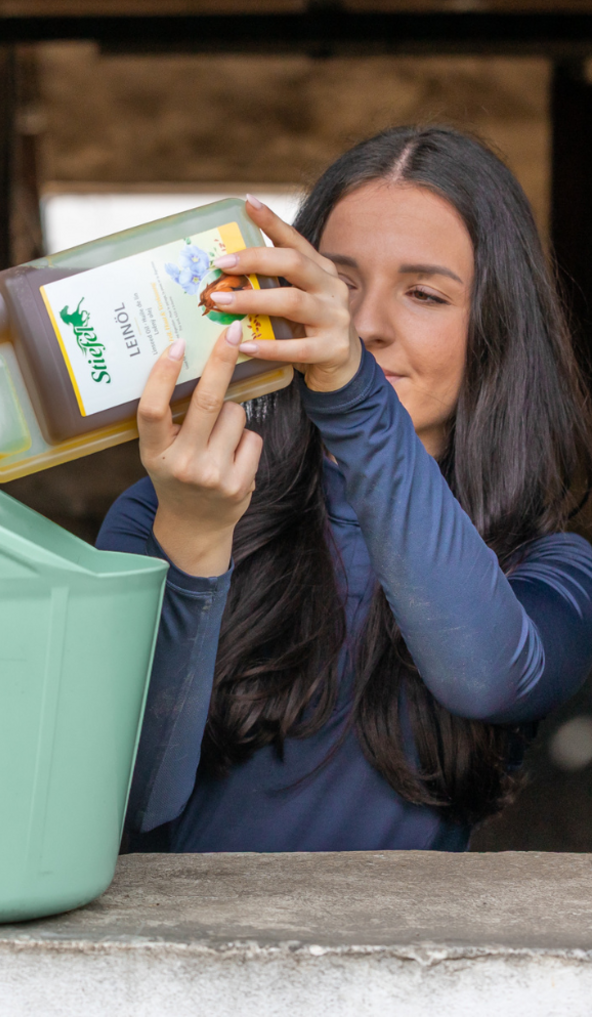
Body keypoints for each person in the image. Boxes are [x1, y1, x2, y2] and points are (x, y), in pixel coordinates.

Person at [97, 126, 592, 852]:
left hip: (402, 933)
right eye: (335, 286)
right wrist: (194, 547)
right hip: (174, 931)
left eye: (424, 293)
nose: (363, 326)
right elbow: (131, 801)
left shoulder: (551, 571)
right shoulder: (166, 509)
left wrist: (355, 392)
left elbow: (486, 675)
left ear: (498, 329)